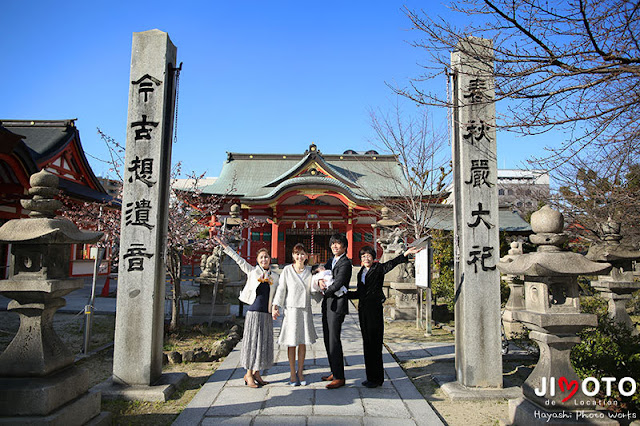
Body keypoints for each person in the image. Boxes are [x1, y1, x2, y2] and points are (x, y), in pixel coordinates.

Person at [348, 245, 422, 388]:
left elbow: (392, 263)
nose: (366, 258)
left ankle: (377, 379)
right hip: (363, 311)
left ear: (373, 257)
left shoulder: (378, 269)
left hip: (374, 310)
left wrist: (406, 253)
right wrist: (343, 294)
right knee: (367, 344)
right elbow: (359, 293)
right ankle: (370, 377)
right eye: (363, 256)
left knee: (375, 344)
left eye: (368, 255)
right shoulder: (361, 272)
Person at [214, 235, 278, 388]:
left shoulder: (275, 276)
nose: (264, 260)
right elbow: (238, 259)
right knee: (253, 343)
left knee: (263, 343)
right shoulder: (252, 271)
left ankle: (257, 372)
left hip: (266, 313)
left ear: (270, 259)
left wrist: (276, 307)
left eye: (266, 257)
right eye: (261, 257)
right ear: (257, 260)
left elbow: (278, 295)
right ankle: (248, 374)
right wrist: (225, 246)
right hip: (254, 312)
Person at [272, 243, 318, 386]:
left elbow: (316, 287)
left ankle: (300, 372)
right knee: (291, 342)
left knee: (303, 342)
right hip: (291, 309)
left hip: (305, 309)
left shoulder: (310, 271)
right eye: (297, 254)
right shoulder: (287, 270)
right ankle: (292, 373)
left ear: (307, 256)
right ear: (293, 255)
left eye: (303, 254)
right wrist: (275, 306)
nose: (300, 257)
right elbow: (281, 289)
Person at [318, 233, 352, 389]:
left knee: (334, 340)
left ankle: (340, 377)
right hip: (328, 304)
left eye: (338, 244)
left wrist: (325, 291)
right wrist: (318, 279)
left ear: (344, 246)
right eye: (332, 244)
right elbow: (319, 270)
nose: (334, 246)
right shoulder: (332, 260)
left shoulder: (345, 263)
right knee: (327, 338)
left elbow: (338, 283)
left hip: (337, 305)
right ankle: (334, 370)